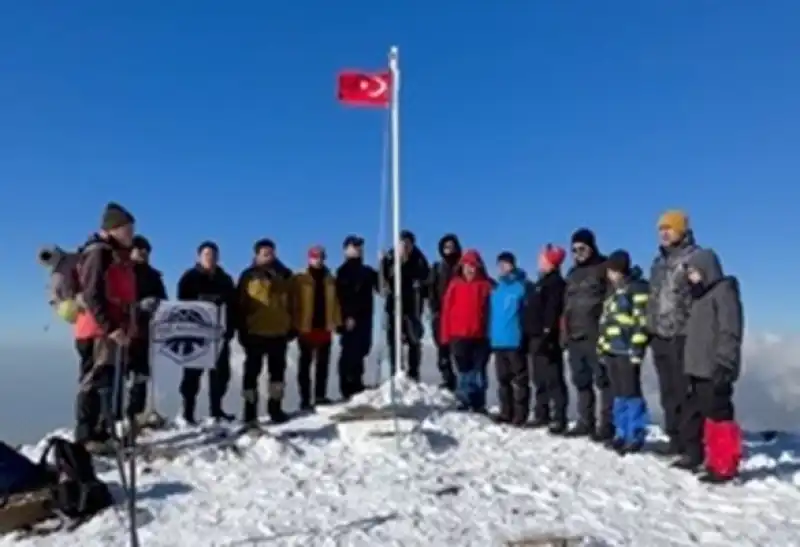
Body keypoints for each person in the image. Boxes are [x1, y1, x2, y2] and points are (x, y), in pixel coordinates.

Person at [73, 202, 137, 454]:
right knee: (94, 380)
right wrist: (110, 327)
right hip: (98, 330)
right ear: (114, 229)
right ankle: (86, 436)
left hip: (106, 329)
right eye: (128, 229)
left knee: (106, 382)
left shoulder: (112, 253)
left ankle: (99, 434)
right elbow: (93, 294)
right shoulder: (99, 252)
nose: (131, 235)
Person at [676, 249, 743, 483]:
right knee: (694, 414)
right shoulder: (699, 296)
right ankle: (695, 455)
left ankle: (724, 466)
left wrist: (725, 362)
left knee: (718, 416)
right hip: (697, 367)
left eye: (694, 272)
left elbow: (730, 330)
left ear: (707, 270)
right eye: (689, 273)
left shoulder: (724, 292)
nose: (691, 277)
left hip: (715, 367)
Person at [646, 210, 700, 457]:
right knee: (667, 391)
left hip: (683, 334)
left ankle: (691, 445)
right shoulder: (658, 263)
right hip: (660, 335)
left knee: (685, 391)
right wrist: (649, 328)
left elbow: (705, 295)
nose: (664, 233)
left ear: (682, 230)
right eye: (661, 229)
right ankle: (674, 439)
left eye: (669, 228)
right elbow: (653, 299)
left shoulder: (694, 258)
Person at [176, 241, 236, 425]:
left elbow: (233, 306)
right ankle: (187, 413)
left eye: (213, 255)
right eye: (206, 254)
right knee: (192, 375)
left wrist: (230, 330)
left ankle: (216, 410)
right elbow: (181, 305)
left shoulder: (225, 279)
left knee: (221, 374)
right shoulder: (189, 278)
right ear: (199, 257)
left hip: (219, 333)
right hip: (196, 334)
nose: (210, 258)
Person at [597, 250, 650, 454]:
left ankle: (634, 433)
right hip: (612, 349)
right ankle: (621, 432)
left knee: (631, 392)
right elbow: (605, 322)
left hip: (627, 350)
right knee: (618, 393)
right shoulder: (613, 293)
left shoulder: (636, 289)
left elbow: (640, 321)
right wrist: (602, 346)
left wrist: (637, 348)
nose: (609, 275)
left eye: (612, 270)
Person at [237, 239, 295, 426]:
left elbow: (294, 303)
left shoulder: (285, 275)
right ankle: (250, 412)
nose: (268, 256)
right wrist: (242, 330)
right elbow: (239, 305)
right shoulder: (248, 276)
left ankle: (276, 409)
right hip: (255, 332)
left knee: (277, 375)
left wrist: (292, 326)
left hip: (279, 332)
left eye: (271, 252)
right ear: (257, 255)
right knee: (251, 374)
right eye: (264, 253)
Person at [563, 228, 611, 441]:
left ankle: (607, 424)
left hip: (596, 334)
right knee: (581, 380)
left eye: (582, 248)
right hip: (575, 335)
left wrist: (606, 330)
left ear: (591, 247)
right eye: (574, 249)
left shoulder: (603, 268)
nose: (578, 253)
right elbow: (566, 306)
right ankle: (585, 421)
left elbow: (611, 301)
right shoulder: (572, 274)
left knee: (604, 381)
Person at [440, 250, 493, 412]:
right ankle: (464, 400)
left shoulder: (486, 285)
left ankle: (478, 402)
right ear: (461, 267)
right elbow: (447, 310)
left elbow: (492, 311)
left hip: (480, 336)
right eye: (467, 266)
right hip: (459, 335)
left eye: (473, 266)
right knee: (463, 370)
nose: (470, 269)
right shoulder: (455, 284)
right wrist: (445, 335)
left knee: (478, 371)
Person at [523, 244, 568, 434]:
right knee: (539, 377)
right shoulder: (541, 283)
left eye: (542, 258)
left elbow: (552, 310)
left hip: (548, 337)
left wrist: (547, 332)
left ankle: (559, 417)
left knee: (553, 378)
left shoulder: (555, 284)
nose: (539, 261)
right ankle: (542, 412)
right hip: (535, 336)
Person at [128, 235, 168, 430]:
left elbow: (165, 302)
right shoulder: (122, 273)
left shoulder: (154, 276)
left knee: (141, 375)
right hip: (123, 332)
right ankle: (113, 418)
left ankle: (134, 415)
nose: (143, 253)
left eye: (146, 250)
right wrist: (137, 307)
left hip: (146, 333)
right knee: (117, 377)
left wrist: (157, 304)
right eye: (139, 249)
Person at [293, 245, 341, 410]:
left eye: (321, 257)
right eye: (315, 257)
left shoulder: (330, 279)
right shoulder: (300, 279)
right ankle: (305, 399)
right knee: (305, 364)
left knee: (323, 364)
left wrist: (337, 322)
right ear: (309, 258)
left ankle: (320, 395)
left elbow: (336, 302)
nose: (318, 260)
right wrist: (294, 323)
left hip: (325, 326)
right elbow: (294, 302)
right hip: (306, 326)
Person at [380, 230, 430, 380]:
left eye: (407, 243)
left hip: (412, 308)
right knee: (394, 341)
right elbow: (382, 282)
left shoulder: (419, 260)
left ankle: (413, 373)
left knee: (414, 340)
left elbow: (426, 281)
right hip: (394, 307)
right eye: (401, 243)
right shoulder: (389, 258)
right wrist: (388, 264)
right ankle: (396, 372)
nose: (404, 246)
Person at [335, 235, 378, 400]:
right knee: (349, 351)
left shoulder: (366, 271)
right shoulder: (343, 272)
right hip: (350, 318)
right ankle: (347, 387)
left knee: (361, 349)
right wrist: (347, 315)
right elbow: (342, 297)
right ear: (346, 250)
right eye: (354, 246)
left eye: (359, 246)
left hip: (365, 317)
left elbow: (381, 285)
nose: (358, 249)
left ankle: (357, 383)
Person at [489, 252, 528, 426]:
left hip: (514, 338)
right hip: (498, 340)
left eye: (506, 264)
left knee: (519, 379)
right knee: (502, 379)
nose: (503, 268)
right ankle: (506, 411)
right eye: (500, 265)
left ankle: (521, 414)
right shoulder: (497, 289)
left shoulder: (521, 286)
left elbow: (528, 312)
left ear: (513, 265)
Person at [427, 234, 463, 392]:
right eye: (446, 247)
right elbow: (430, 289)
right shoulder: (437, 268)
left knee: (459, 351)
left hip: (458, 315)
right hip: (440, 315)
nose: (449, 250)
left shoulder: (462, 267)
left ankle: (462, 384)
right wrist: (434, 309)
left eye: (452, 246)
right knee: (442, 351)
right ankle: (448, 380)